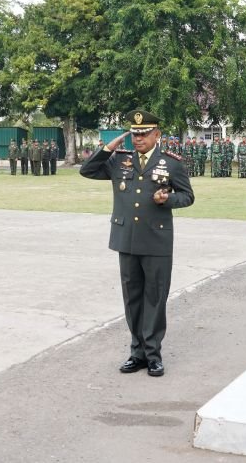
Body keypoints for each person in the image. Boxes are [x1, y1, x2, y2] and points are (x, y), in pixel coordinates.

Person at [80, 110, 194, 377]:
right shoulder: (120, 161)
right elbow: (87, 170)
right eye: (134, 134)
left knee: (155, 298)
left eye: (144, 134)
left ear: (157, 135)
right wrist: (109, 147)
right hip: (127, 238)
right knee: (132, 299)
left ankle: (153, 354)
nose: (138, 138)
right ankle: (137, 352)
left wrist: (168, 199)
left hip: (157, 240)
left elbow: (188, 196)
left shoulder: (172, 163)